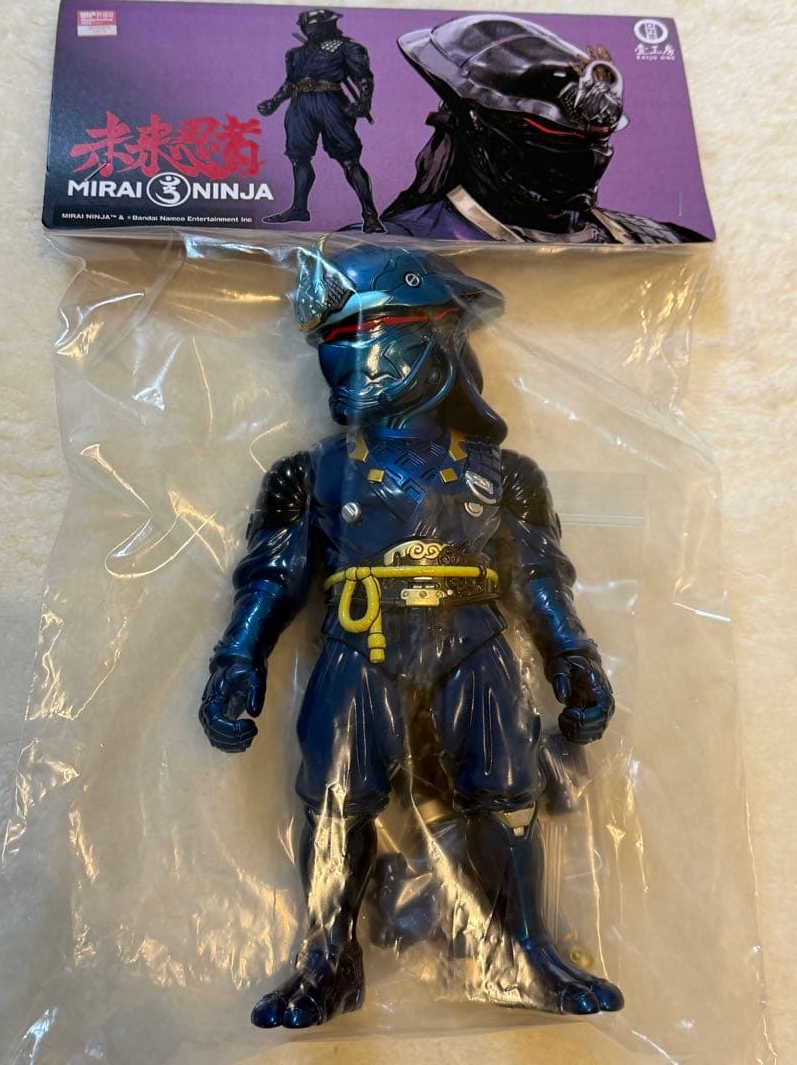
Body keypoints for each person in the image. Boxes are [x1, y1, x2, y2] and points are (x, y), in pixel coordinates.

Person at [199, 243, 623, 1028]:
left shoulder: (506, 473)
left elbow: (539, 573)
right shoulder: (311, 473)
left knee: (507, 791)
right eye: (337, 344)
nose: (351, 364)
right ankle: (328, 958)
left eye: (374, 338)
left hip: (476, 639)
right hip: (361, 642)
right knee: (335, 797)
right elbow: (274, 574)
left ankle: (523, 946)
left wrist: (570, 651)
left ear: (437, 341)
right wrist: (239, 656)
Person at [382, 15, 707, 243]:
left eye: (599, 137)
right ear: (475, 123)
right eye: (555, 134)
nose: (588, 157)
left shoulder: (658, 240)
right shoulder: (401, 242)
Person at [258, 9, 384, 232]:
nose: (310, 31)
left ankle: (370, 215)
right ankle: (299, 208)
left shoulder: (347, 48)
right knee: (299, 157)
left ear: (329, 25)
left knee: (349, 159)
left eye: (315, 26)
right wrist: (274, 102)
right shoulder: (296, 54)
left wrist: (364, 102)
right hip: (300, 105)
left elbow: (363, 78)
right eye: (307, 27)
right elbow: (291, 83)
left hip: (331, 103)